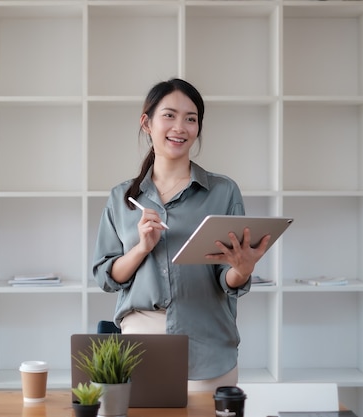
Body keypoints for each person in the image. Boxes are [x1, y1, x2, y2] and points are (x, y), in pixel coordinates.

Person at [92, 78, 271, 391]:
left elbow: (226, 278)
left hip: (206, 340)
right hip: (140, 339)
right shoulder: (122, 198)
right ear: (147, 123)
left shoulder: (222, 191)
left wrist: (242, 270)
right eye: (169, 115)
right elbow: (107, 278)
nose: (181, 127)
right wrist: (140, 249)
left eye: (191, 119)